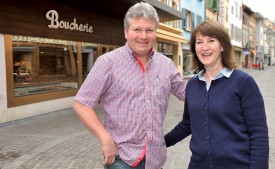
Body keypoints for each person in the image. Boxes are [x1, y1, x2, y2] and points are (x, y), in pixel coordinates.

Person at [73, 2, 187, 169]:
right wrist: (105, 139)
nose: (143, 36)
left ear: (155, 32)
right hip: (121, 159)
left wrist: (218, 80)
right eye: (137, 29)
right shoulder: (108, 62)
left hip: (155, 159)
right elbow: (82, 104)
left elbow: (188, 93)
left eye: (149, 30)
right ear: (126, 32)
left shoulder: (166, 64)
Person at [165, 20, 269, 169]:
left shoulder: (243, 82)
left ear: (222, 46)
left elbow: (258, 134)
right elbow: (187, 124)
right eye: (199, 42)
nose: (205, 47)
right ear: (194, 48)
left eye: (211, 40)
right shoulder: (192, 85)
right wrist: (161, 142)